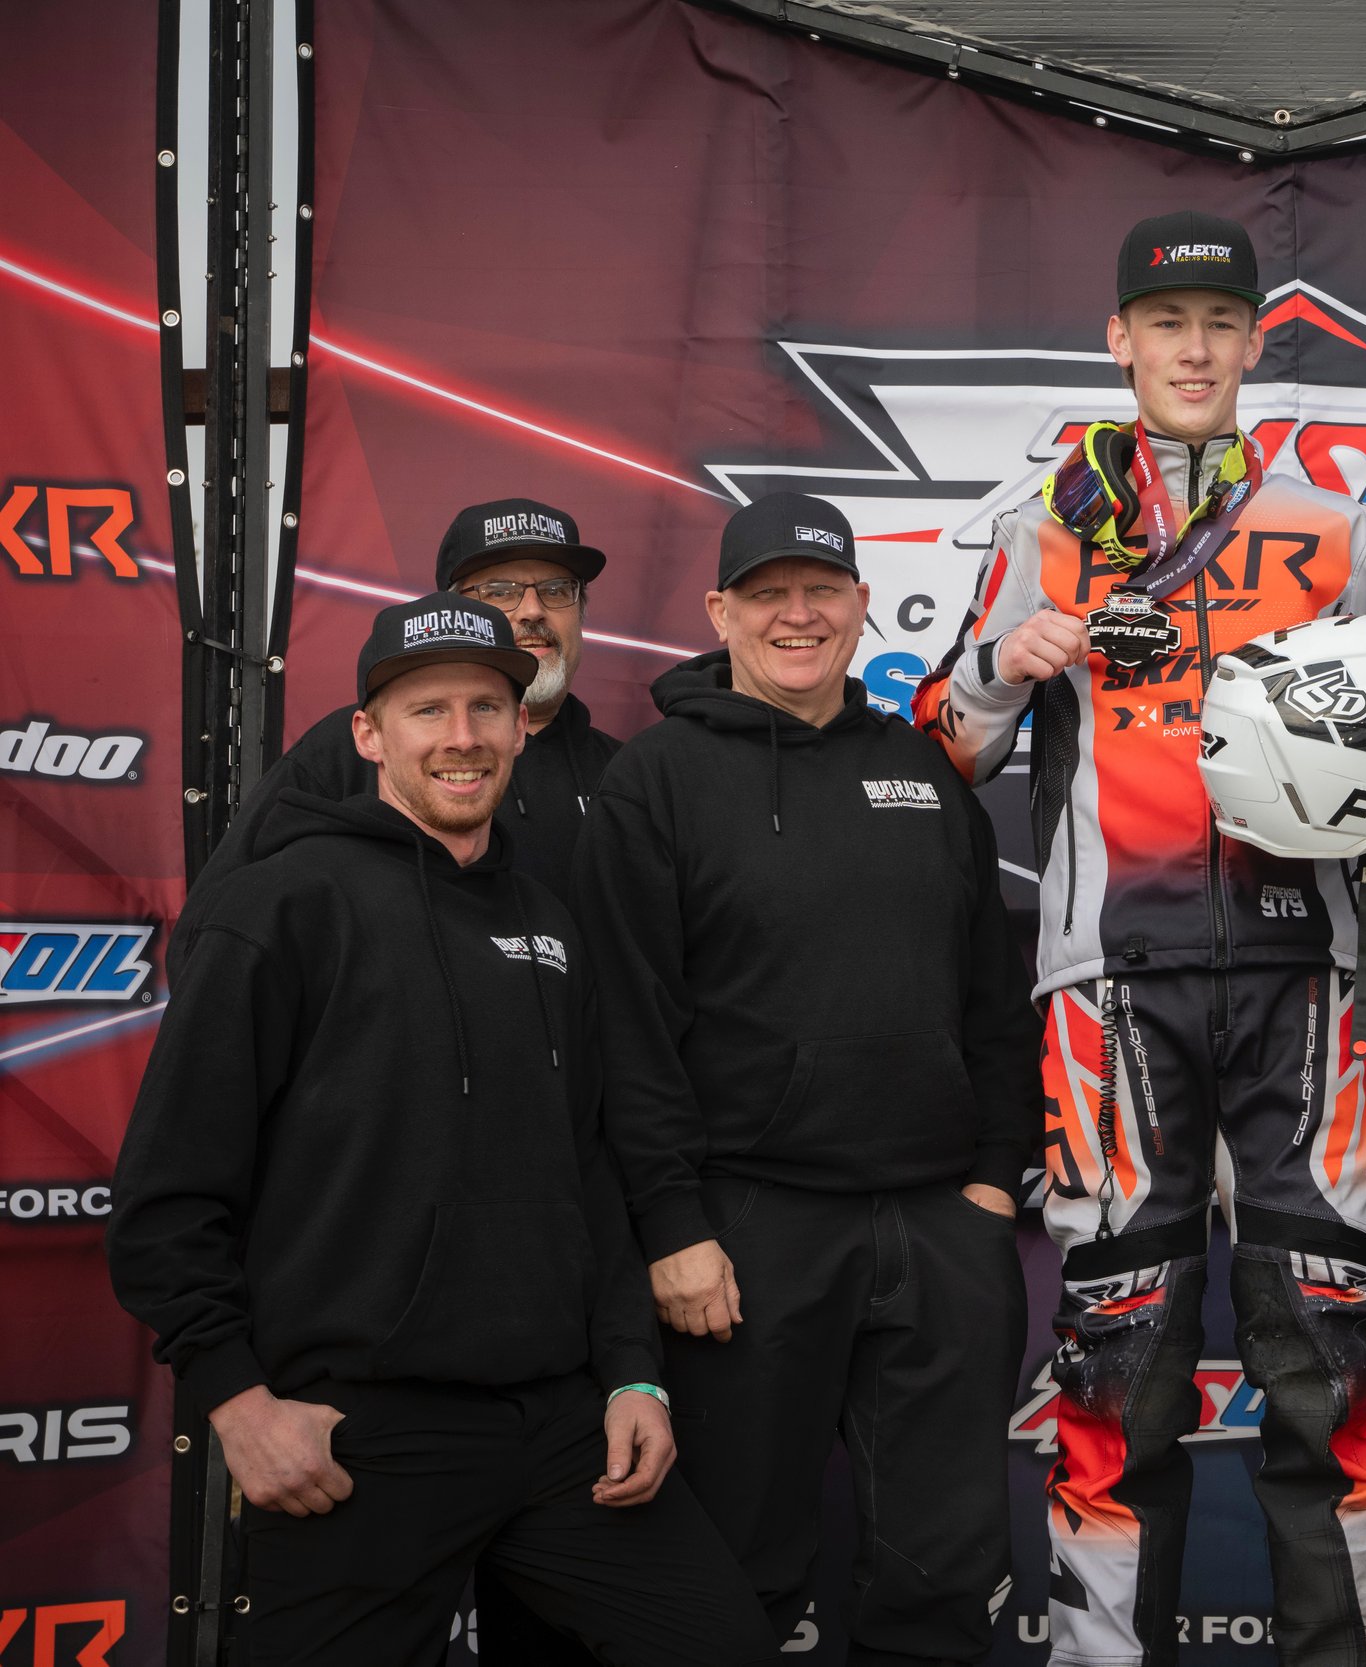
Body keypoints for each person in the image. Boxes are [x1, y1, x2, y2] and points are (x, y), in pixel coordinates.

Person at [106, 594, 774, 1667]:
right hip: (359, 1434)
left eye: (486, 707)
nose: (461, 736)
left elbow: (587, 1171)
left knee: (722, 1643)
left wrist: (632, 1374)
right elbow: (164, 1198)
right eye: (427, 710)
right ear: (369, 732)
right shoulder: (279, 906)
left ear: (520, 727)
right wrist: (236, 1400)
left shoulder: (548, 923)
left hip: (557, 1427)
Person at [911, 210, 1366, 1667]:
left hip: (1304, 979)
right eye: (1165, 323)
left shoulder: (1338, 530)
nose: (1194, 349)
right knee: (1119, 1354)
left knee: (1331, 1340)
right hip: (1107, 988)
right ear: (1119, 341)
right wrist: (1007, 660)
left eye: (1220, 325)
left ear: (1257, 343)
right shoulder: (1041, 527)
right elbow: (940, 746)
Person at [573, 492, 1040, 1662]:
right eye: (769, 593)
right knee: (739, 1567)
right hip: (746, 1229)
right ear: (720, 610)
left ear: (859, 604)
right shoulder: (655, 780)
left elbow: (991, 990)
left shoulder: (920, 772)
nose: (798, 614)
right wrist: (673, 1225)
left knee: (945, 1569)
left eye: (821, 589)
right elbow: (625, 1030)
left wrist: (989, 1181)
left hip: (938, 1223)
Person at [176, 496, 619, 961]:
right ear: (449, 607)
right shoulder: (353, 749)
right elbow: (215, 937)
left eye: (555, 589)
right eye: (500, 590)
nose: (532, 611)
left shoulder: (628, 775)